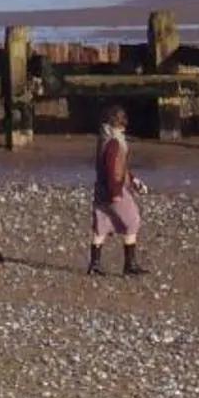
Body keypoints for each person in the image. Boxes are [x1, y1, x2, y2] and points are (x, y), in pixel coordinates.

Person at [88, 104, 145, 275]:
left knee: (102, 225)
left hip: (100, 190)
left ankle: (95, 264)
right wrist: (115, 193)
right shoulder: (114, 142)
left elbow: (117, 167)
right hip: (113, 190)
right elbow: (114, 168)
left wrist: (133, 180)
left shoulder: (103, 139)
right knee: (132, 221)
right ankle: (130, 264)